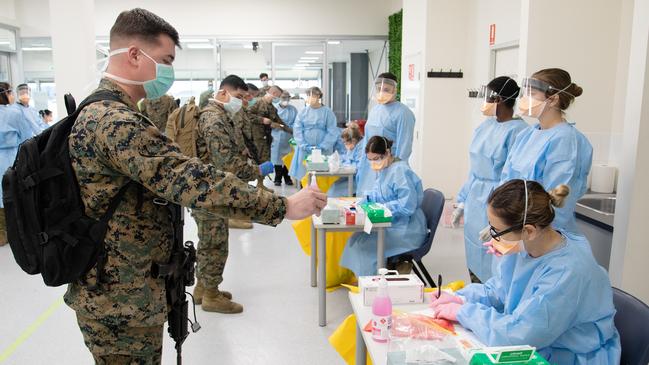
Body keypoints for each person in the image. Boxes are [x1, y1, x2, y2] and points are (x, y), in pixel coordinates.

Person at [66, 9, 326, 363]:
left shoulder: (113, 112)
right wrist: (281, 206)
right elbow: (189, 179)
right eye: (165, 60)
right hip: (119, 299)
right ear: (133, 55)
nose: (169, 71)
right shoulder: (113, 121)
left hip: (128, 288)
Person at [432, 180, 621, 364]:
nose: (493, 236)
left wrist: (464, 312)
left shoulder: (566, 272)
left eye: (496, 230)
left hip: (570, 354)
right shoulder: (528, 247)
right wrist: (461, 298)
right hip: (538, 340)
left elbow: (520, 335)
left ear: (528, 231)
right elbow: (500, 291)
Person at [191, 75, 273, 313]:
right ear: (223, 93)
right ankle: (212, 296)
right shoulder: (213, 120)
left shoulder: (217, 115)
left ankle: (202, 287)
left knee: (207, 241)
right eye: (238, 97)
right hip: (209, 193)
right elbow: (227, 163)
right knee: (215, 243)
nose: (241, 102)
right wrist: (255, 170)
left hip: (207, 191)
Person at [451, 76, 528, 283]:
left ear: (500, 100)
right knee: (475, 256)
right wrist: (463, 201)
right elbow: (475, 171)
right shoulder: (485, 127)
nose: (484, 101)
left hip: (498, 199)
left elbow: (514, 180)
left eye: (488, 97)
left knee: (495, 262)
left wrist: (503, 220)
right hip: (476, 199)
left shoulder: (519, 132)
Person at [499, 68, 592, 236]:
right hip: (516, 224)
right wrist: (502, 217)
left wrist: (529, 230)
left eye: (532, 94)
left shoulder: (565, 140)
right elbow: (507, 179)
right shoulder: (527, 134)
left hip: (543, 233)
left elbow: (558, 200)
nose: (525, 99)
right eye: (525, 93)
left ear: (553, 99)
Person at [340, 136, 427, 276]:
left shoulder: (400, 171)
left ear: (387, 153)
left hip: (406, 228)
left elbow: (407, 206)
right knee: (356, 239)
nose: (374, 163)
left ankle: (373, 286)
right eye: (370, 160)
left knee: (364, 247)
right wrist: (362, 202)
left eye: (376, 159)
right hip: (391, 223)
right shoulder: (384, 169)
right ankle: (367, 281)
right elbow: (378, 193)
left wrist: (383, 208)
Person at [355, 73, 416, 197]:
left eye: (386, 89)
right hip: (369, 167)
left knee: (385, 204)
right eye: (379, 89)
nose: (382, 92)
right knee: (366, 203)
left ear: (395, 89)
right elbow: (367, 140)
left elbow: (404, 147)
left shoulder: (403, 113)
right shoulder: (375, 110)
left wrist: (395, 171)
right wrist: (361, 164)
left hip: (389, 166)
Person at [0, 82, 34, 246]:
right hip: (11, 156)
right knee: (13, 194)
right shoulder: (14, 113)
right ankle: (17, 233)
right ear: (6, 93)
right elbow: (27, 136)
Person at [289, 86, 340, 183]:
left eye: (312, 95)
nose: (310, 97)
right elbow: (297, 129)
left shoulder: (327, 112)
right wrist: (303, 145)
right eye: (308, 95)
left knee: (322, 174)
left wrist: (323, 146)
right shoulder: (303, 112)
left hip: (324, 150)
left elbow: (332, 130)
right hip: (305, 149)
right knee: (304, 174)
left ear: (319, 96)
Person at [249, 85, 285, 191]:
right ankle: (254, 184)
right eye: (278, 96)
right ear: (273, 94)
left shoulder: (272, 108)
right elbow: (247, 115)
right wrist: (262, 120)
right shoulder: (257, 103)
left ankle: (261, 184)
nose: (278, 99)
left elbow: (279, 121)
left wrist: (289, 129)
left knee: (265, 160)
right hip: (255, 138)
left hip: (266, 139)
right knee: (255, 161)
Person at [328, 123, 364, 197]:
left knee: (336, 189)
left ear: (353, 141)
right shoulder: (353, 146)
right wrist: (338, 159)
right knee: (333, 185)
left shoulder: (361, 148)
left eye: (346, 143)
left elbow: (358, 167)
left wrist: (345, 167)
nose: (345, 145)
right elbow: (348, 157)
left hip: (355, 180)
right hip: (349, 176)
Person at [272, 91, 296, 186]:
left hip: (289, 136)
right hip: (276, 136)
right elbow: (272, 122)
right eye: (283, 97)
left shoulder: (293, 110)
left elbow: (297, 122)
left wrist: (290, 128)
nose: (285, 100)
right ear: (279, 97)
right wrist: (278, 126)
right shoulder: (274, 109)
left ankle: (287, 177)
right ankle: (277, 178)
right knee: (277, 157)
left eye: (287, 97)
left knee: (288, 157)